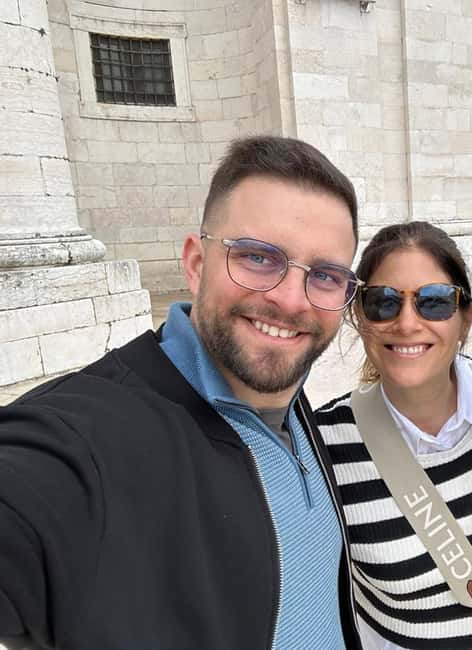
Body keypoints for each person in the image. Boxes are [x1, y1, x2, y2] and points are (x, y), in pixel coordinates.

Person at [0, 136, 363, 649]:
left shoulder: (284, 392)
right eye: (258, 257)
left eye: (324, 275)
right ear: (195, 264)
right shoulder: (84, 443)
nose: (289, 300)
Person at [314, 222, 472, 649]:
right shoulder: (323, 444)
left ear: (464, 320)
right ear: (360, 319)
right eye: (382, 303)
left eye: (434, 303)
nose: (406, 323)